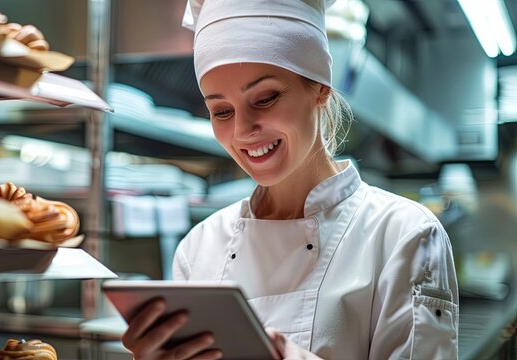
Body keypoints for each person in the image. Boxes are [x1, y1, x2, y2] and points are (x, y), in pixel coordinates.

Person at [120, 0, 459, 359]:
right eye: (221, 110)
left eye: (264, 99)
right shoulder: (198, 248)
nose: (242, 130)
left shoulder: (404, 235)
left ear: (320, 88)